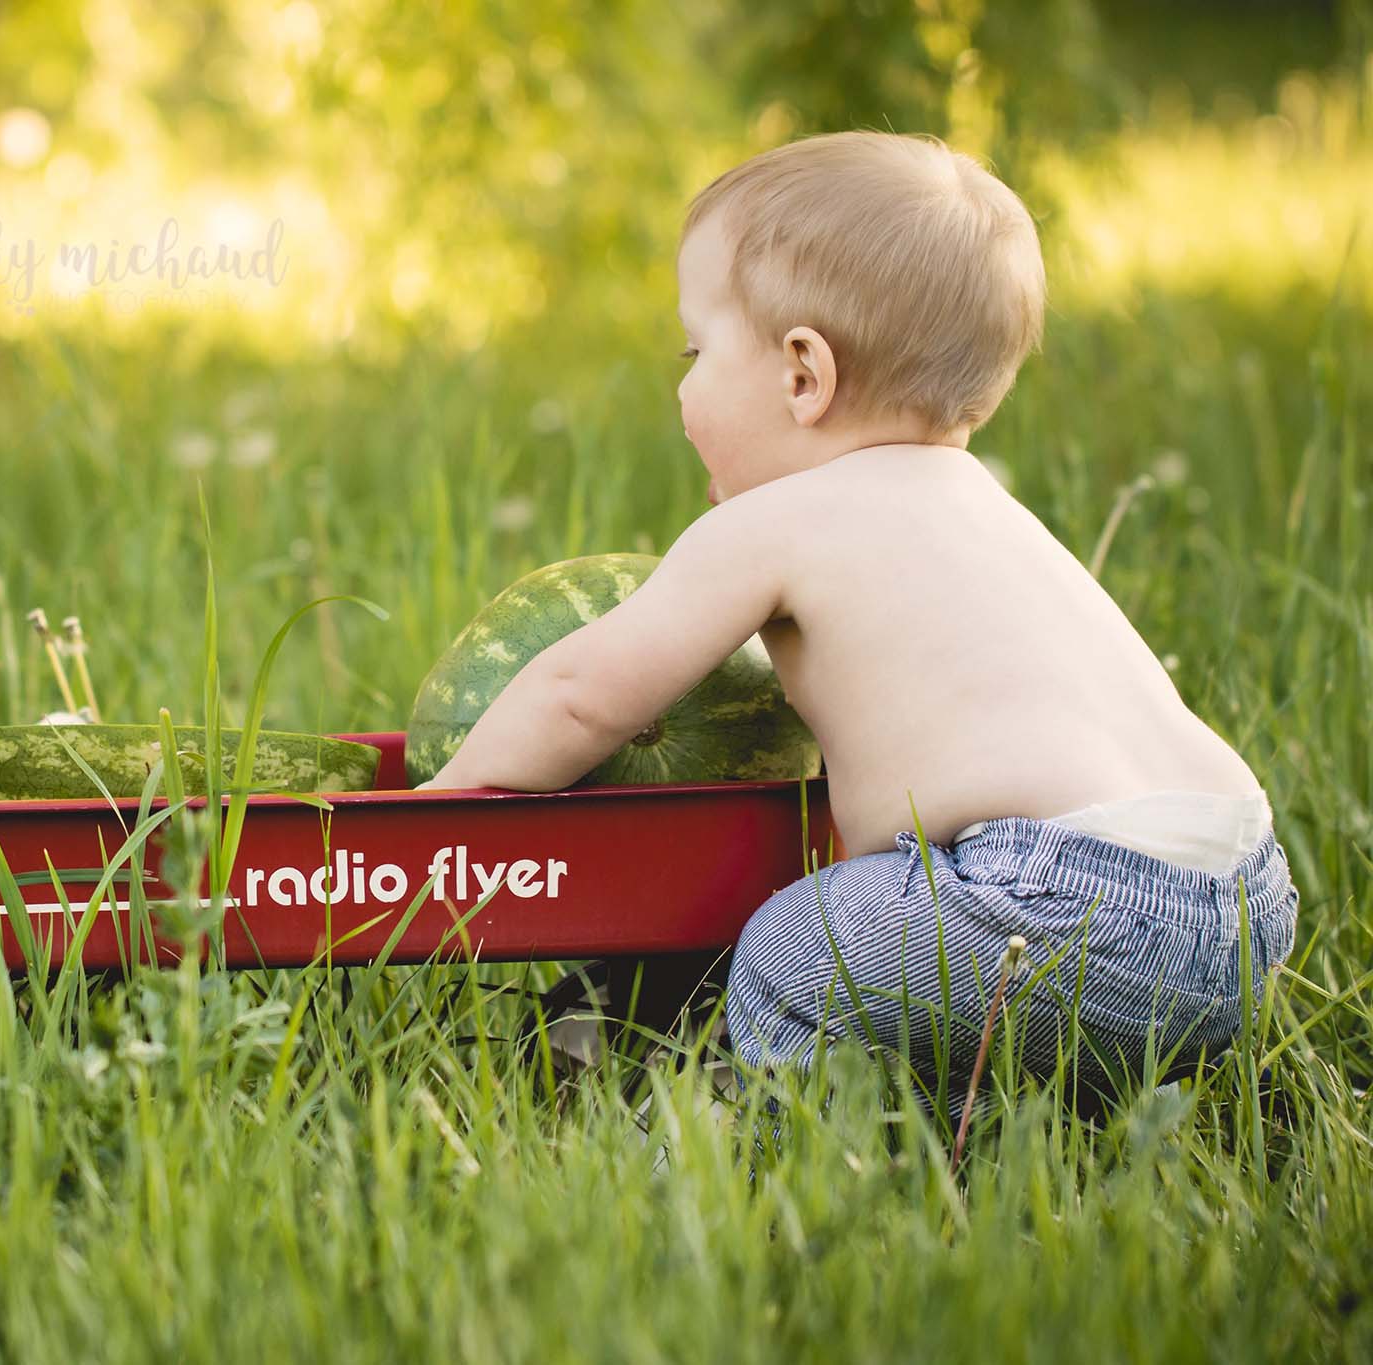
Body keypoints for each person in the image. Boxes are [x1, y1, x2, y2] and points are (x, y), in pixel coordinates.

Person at [414, 130, 1300, 1110]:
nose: (679, 384)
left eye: (694, 349)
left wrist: (437, 818)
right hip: (1243, 902)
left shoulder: (775, 523)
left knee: (799, 946)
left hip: (1056, 905)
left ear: (803, 374)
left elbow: (580, 696)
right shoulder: (983, 510)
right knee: (905, 956)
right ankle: (983, 1126)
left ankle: (717, 1178)